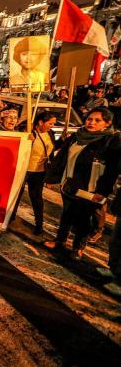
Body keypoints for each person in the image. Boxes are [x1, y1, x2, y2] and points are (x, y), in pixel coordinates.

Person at [44, 107, 121, 259]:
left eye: (97, 120)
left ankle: (78, 247)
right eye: (89, 119)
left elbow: (112, 171)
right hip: (69, 185)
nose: (91, 122)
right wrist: (52, 179)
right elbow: (61, 158)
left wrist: (102, 192)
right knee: (66, 215)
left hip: (90, 188)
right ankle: (60, 241)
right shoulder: (76, 136)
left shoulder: (111, 141)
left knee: (83, 219)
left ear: (107, 123)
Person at [10, 111, 56, 235]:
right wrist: (26, 140)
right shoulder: (29, 132)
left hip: (40, 172)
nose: (52, 126)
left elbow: (52, 151)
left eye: (53, 124)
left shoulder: (50, 133)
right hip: (25, 170)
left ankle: (39, 224)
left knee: (37, 199)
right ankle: (9, 217)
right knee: (16, 196)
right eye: (50, 123)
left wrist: (63, 139)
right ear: (40, 122)